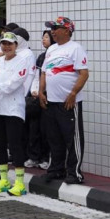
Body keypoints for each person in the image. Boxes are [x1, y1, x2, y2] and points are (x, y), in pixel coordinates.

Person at [0, 32, 33, 196]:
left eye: (10, 43)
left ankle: (20, 183)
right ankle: (3, 180)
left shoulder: (22, 61)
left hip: (14, 109)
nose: (7, 46)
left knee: (15, 145)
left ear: (16, 45)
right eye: (4, 43)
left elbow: (13, 84)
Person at [39, 16, 88, 184]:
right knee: (54, 138)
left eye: (56, 28)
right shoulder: (51, 50)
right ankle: (56, 170)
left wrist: (73, 93)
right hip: (51, 102)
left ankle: (74, 173)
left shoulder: (75, 48)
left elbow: (84, 74)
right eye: (52, 28)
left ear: (67, 30)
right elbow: (45, 72)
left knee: (72, 138)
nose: (52, 31)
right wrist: (41, 91)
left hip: (68, 103)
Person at [25, 30, 54, 169]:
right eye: (43, 37)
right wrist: (34, 90)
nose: (43, 39)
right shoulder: (42, 56)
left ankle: (45, 158)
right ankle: (33, 157)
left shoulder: (54, 56)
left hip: (49, 98)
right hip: (36, 97)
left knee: (46, 130)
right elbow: (37, 75)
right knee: (33, 129)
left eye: (47, 37)